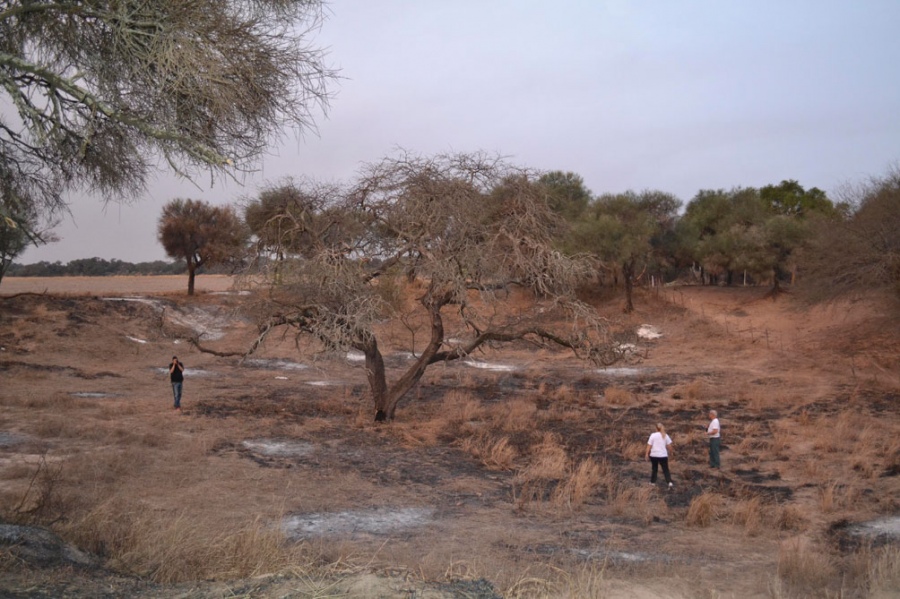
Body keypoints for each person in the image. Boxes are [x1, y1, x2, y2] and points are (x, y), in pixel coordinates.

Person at [645, 423, 674, 488]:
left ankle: (652, 482)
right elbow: (669, 446)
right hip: (663, 455)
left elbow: (649, 445)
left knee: (654, 469)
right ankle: (669, 482)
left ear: (656, 428)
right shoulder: (665, 435)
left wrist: (647, 453)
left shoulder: (653, 435)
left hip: (654, 455)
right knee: (665, 469)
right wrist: (671, 452)